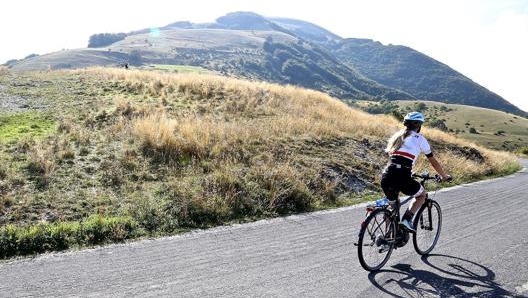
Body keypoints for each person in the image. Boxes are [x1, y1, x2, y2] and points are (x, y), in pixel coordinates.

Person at [381, 111, 451, 232]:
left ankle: (387, 236)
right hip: (402, 176)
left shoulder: (397, 136)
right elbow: (433, 162)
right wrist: (444, 176)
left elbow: (394, 158)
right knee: (421, 195)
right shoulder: (420, 139)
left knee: (392, 205)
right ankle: (407, 220)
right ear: (419, 125)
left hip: (387, 175)